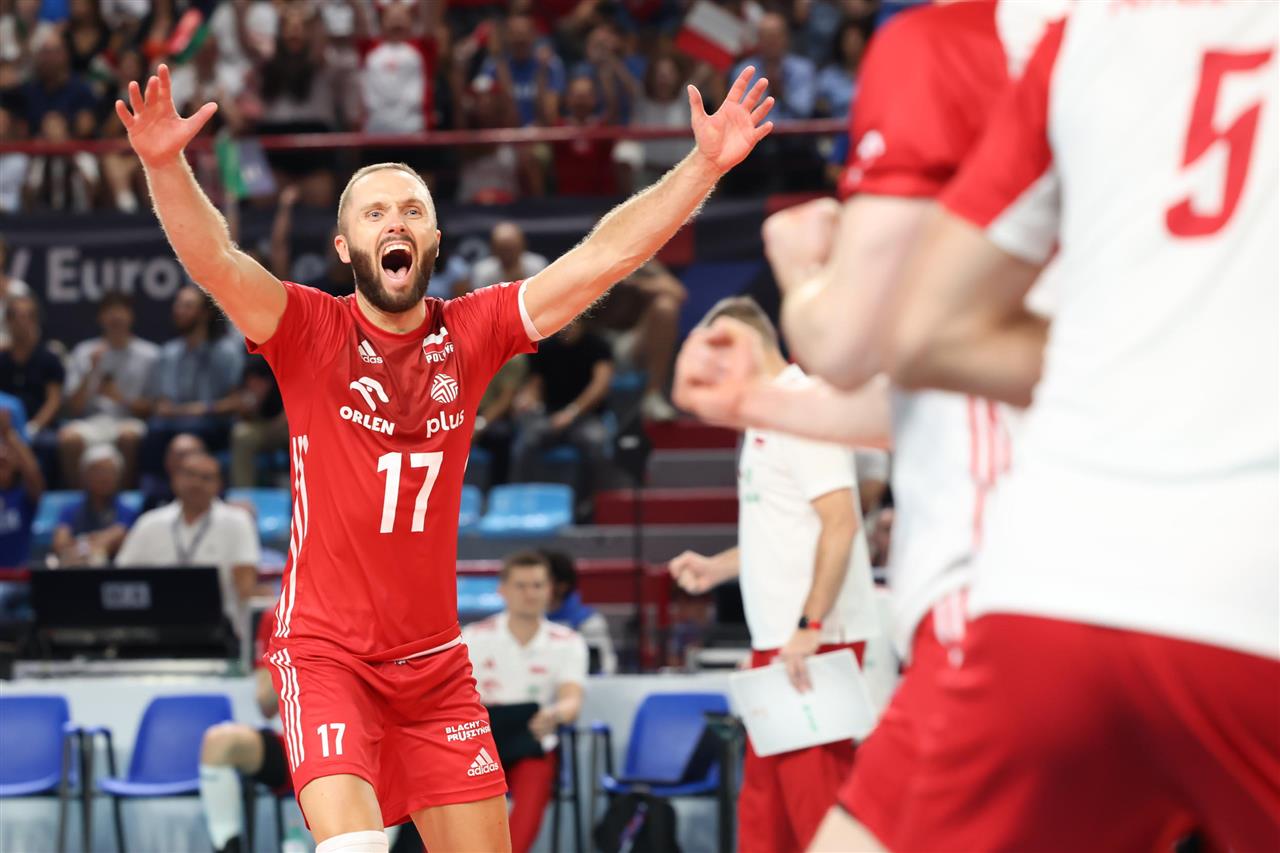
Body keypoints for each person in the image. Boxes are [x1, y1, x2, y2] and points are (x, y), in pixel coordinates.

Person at [114, 57, 772, 852]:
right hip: (326, 655)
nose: (394, 220)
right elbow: (216, 260)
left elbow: (602, 257)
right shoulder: (309, 330)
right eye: (375, 212)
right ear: (346, 245)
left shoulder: (473, 330)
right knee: (354, 847)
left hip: (434, 667)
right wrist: (164, 165)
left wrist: (703, 165)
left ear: (432, 238)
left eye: (411, 210)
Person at [877, 4, 1278, 851]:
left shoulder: (1083, 33)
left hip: (1051, 585)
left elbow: (921, 336)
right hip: (1254, 593)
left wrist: (1136, 362)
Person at [673, 3, 1063, 850]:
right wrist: (749, 413)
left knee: (839, 826)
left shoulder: (951, 47)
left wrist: (804, 271)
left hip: (893, 621)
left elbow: (845, 487)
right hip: (802, 634)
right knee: (774, 829)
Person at [670, 297, 879, 853]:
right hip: (783, 642)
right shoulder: (768, 417)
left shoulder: (803, 409)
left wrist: (809, 627)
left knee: (816, 807)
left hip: (814, 642)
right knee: (766, 814)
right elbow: (785, 530)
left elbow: (840, 524)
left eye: (716, 362)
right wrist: (716, 568)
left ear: (742, 346)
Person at [462, 552, 587, 853]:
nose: (530, 594)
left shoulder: (568, 642)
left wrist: (554, 714)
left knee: (529, 802)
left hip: (532, 740)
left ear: (550, 590)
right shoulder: (474, 637)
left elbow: (571, 701)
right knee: (454, 810)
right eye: (521, 586)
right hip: (479, 741)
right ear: (502, 589)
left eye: (537, 585)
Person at [116, 450, 261, 611]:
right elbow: (123, 578)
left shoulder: (237, 522)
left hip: (219, 618)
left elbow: (245, 587)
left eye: (206, 478)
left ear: (219, 485)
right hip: (157, 618)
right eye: (189, 475)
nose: (196, 483)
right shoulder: (149, 523)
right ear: (174, 479)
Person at [199, 611, 292, 853]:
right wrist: (293, 649)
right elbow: (266, 705)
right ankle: (227, 847)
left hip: (364, 743)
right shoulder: (277, 617)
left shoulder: (367, 608)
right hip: (297, 746)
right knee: (220, 742)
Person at [137, 285, 244, 476]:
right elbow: (163, 401)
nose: (179, 311)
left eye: (187, 306)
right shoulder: (169, 352)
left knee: (193, 430)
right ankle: (154, 491)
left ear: (205, 313)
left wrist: (200, 409)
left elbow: (237, 401)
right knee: (154, 430)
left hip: (213, 423)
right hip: (173, 423)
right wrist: (163, 407)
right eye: (177, 305)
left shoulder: (226, 352)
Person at [58, 292, 159, 489]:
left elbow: (153, 407)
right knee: (69, 439)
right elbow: (73, 408)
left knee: (128, 437)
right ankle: (79, 498)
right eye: (110, 312)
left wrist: (121, 399)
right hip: (91, 422)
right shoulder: (84, 352)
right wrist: (91, 370)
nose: (116, 317)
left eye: (121, 311)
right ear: (100, 318)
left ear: (131, 316)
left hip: (129, 421)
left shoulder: (150, 355)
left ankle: (125, 497)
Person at [510, 318, 614, 498]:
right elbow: (535, 385)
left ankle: (592, 502)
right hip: (551, 415)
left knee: (596, 443)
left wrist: (572, 412)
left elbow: (600, 386)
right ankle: (521, 499)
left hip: (586, 416)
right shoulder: (545, 347)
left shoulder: (598, 345)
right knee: (525, 444)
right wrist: (527, 399)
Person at [50, 443, 136, 566]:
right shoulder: (70, 510)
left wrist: (80, 543)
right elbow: (60, 544)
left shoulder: (127, 511)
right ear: (84, 475)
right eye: (97, 471)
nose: (104, 477)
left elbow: (115, 539)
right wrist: (91, 545)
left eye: (109, 471)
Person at [0, 294, 64, 454]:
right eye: (16, 317)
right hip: (4, 427)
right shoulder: (2, 359)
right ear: (7, 321)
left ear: (35, 321)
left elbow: (54, 401)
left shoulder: (49, 358)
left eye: (27, 317)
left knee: (49, 443)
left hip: (40, 428)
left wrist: (33, 427)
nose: (21, 322)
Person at [542, 548, 617, 674]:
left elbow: (604, 667)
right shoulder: (521, 620)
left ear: (562, 585)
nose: (530, 592)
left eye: (539, 583)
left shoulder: (589, 622)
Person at [0, 408, 43, 568]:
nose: (2, 456)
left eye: (7, 454)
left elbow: (33, 472)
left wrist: (8, 433)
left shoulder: (24, 496)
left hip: (18, 577)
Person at [470, 222, 547, 291]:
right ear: (494, 249)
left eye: (512, 248)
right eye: (503, 249)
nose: (508, 255)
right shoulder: (482, 272)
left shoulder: (538, 266)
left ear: (522, 245)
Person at [139, 431, 205, 513]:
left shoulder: (215, 495)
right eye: (181, 455)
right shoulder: (154, 495)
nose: (187, 461)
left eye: (192, 454)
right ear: (167, 460)